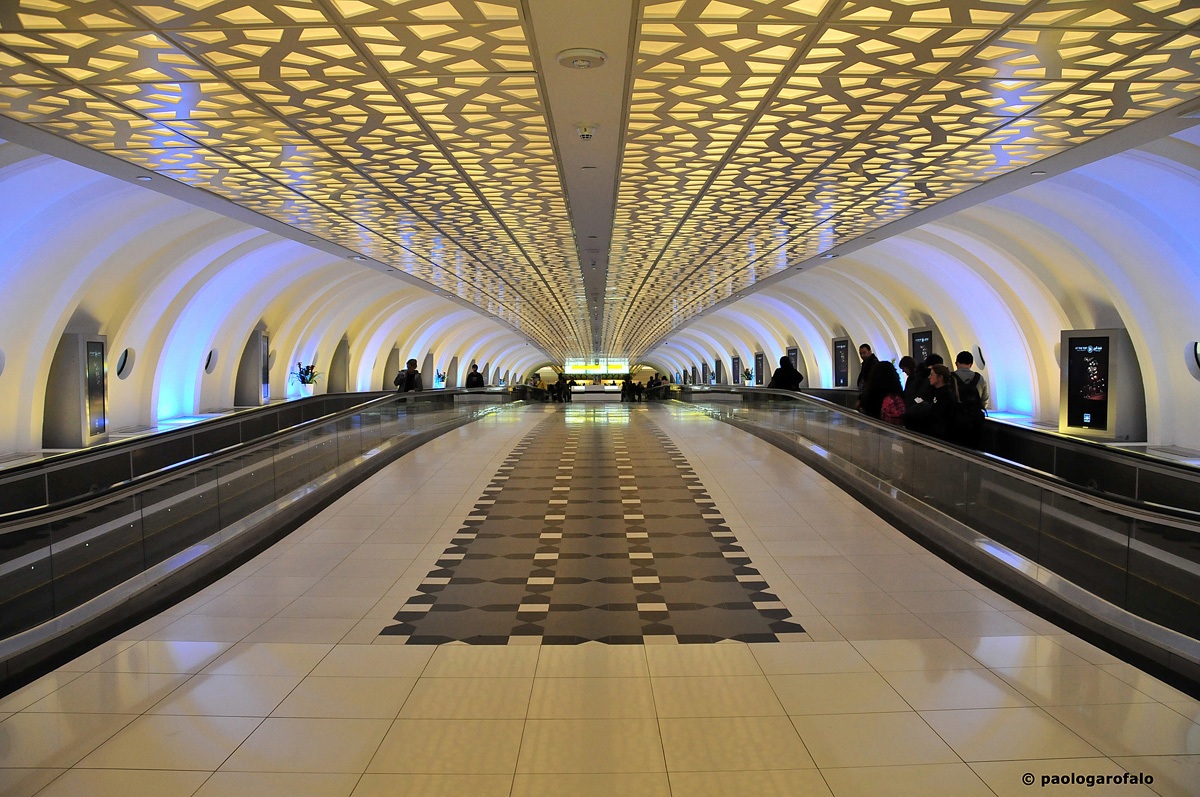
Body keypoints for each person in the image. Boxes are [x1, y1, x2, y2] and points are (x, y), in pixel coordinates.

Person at [905, 363, 957, 441]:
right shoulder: (940, 392)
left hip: (941, 436)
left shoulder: (944, 395)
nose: (929, 377)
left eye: (932, 375)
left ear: (940, 377)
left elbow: (937, 414)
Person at [951, 351, 989, 447]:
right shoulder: (980, 378)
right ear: (971, 364)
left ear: (956, 363)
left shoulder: (951, 377)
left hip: (957, 418)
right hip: (976, 418)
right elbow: (984, 399)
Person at [856, 343, 878, 410]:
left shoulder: (872, 365)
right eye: (860, 353)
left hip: (870, 398)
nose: (862, 355)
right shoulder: (866, 364)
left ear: (870, 352)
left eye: (864, 353)